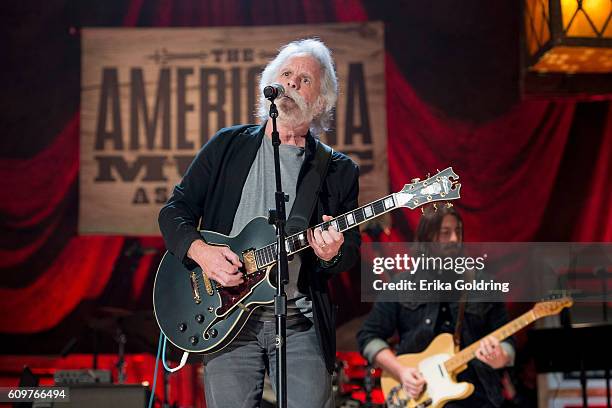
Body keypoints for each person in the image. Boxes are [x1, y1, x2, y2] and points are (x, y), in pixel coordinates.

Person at [158, 39, 360, 408]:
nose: (293, 84)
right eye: (286, 75)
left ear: (321, 101)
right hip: (226, 319)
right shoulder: (227, 146)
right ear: (270, 83)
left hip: (299, 320)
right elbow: (174, 211)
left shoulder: (337, 170)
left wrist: (332, 254)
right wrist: (203, 253)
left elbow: (349, 255)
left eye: (305, 80)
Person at [356, 205, 515, 407]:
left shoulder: (484, 284)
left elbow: (508, 341)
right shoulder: (401, 284)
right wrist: (401, 371)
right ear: (427, 238)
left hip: (478, 397)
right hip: (420, 396)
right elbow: (368, 336)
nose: (454, 240)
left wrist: (501, 357)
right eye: (445, 233)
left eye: (458, 232)